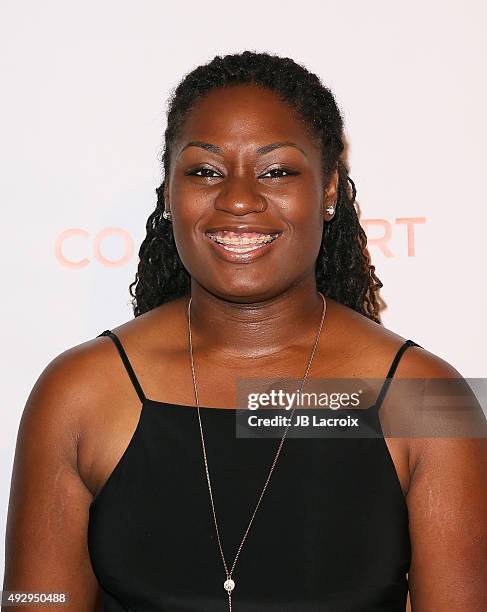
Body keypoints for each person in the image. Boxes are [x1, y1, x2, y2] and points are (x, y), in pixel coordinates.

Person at [3, 51, 487, 612]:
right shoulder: (78, 394)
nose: (237, 199)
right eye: (205, 171)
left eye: (276, 171)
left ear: (329, 189)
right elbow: (32, 600)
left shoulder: (427, 402)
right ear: (167, 191)